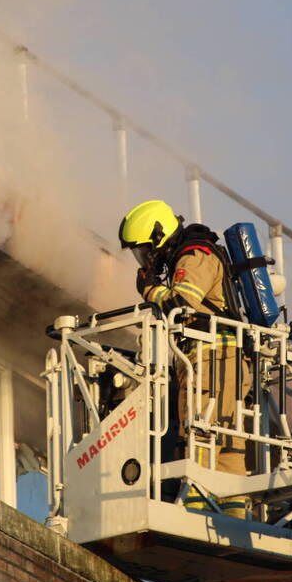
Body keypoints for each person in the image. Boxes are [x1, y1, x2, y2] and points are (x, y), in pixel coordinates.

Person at [118, 200, 253, 519]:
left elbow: (182, 303)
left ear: (158, 238)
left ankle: (197, 508)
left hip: (211, 360)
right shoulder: (193, 254)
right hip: (219, 360)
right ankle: (232, 515)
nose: (144, 259)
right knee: (225, 443)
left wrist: (150, 291)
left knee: (200, 429)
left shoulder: (195, 254)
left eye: (143, 251)